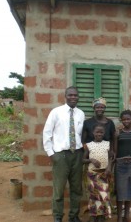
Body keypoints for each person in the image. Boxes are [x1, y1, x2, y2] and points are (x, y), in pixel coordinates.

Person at [43, 86, 85, 222]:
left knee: (76, 188)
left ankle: (74, 216)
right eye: (70, 95)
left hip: (77, 155)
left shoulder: (81, 114)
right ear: (65, 96)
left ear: (78, 97)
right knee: (59, 189)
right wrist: (51, 154)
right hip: (60, 156)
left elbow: (79, 135)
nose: (73, 97)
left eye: (75, 95)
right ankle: (58, 216)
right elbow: (47, 133)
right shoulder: (56, 112)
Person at [83, 123, 112, 222]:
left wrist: (109, 167)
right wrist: (92, 160)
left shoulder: (107, 144)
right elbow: (83, 160)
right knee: (94, 195)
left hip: (104, 174)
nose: (99, 134)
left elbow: (111, 158)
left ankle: (102, 215)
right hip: (92, 174)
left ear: (104, 133)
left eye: (101, 132)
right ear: (93, 132)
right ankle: (94, 215)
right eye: (97, 132)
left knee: (104, 195)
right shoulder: (89, 145)